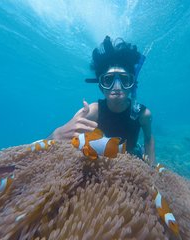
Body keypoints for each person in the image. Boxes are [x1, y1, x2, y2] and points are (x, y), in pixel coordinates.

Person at [47, 36, 155, 165]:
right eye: (108, 80)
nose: (117, 86)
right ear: (101, 86)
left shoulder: (143, 114)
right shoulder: (91, 112)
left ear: (132, 85)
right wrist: (55, 135)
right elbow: (64, 142)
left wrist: (152, 167)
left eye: (124, 80)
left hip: (132, 157)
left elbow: (148, 139)